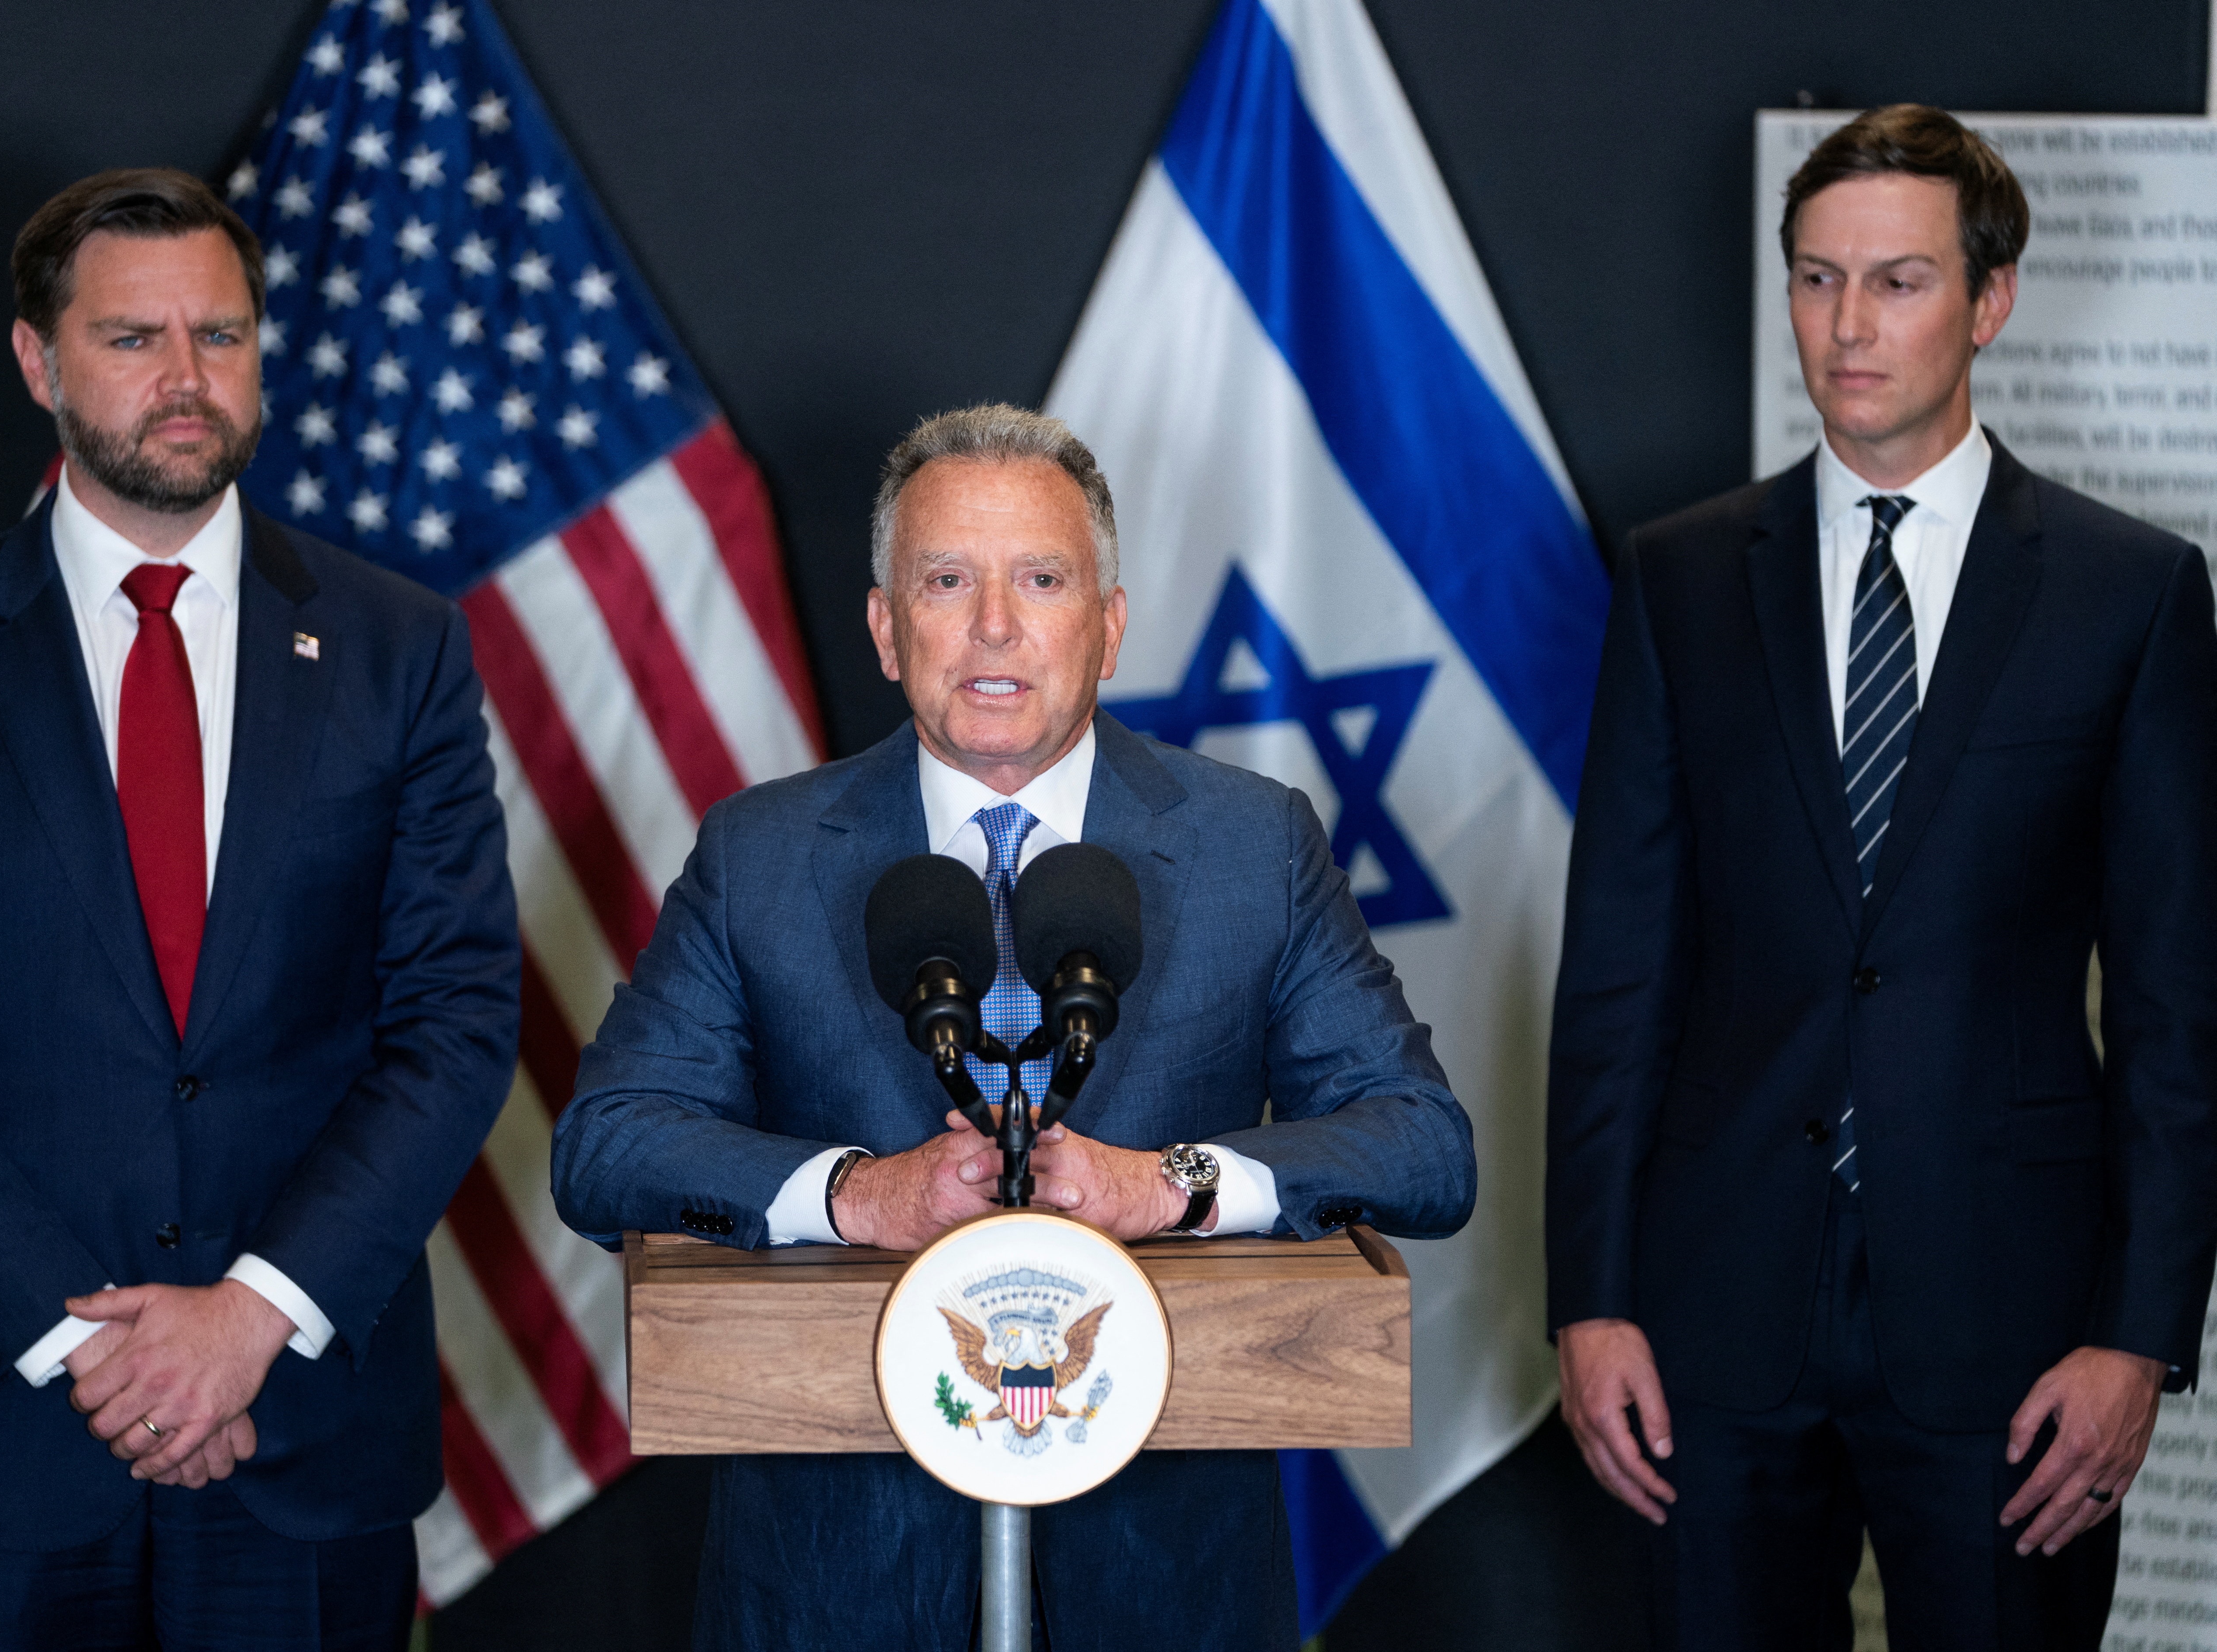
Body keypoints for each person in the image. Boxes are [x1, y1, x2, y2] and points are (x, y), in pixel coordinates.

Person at [552, 403, 1473, 1650]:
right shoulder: (760, 853)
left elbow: (1423, 1144)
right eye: (947, 580)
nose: (996, 626)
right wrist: (859, 1196)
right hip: (836, 1582)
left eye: (1041, 578)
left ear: (1109, 621)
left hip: (1165, 1581)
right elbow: (606, 1143)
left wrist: (1176, 1184)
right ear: (887, 629)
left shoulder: (1253, 844)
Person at [0, 168, 518, 1649]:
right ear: (38, 363)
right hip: (9, 1448)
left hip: (300, 1431)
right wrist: (96, 1348)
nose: (186, 382)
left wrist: (248, 1317)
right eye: (133, 341)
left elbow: (453, 1020)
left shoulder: (402, 654)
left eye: (222, 336)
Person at [1547, 105, 2217, 1649]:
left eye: (1899, 281)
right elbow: (1619, 971)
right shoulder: (1680, 579)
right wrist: (1588, 1295)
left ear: (1989, 301)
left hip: (2017, 1332)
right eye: (1816, 278)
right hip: (1711, 1323)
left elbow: (2184, 1014)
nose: (1848, 327)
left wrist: (2139, 1338)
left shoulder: (2134, 596)